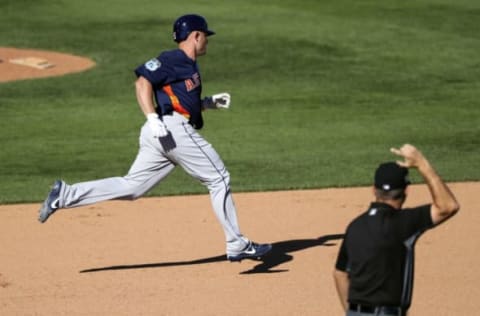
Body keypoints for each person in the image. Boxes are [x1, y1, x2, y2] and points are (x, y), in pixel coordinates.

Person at [38, 14, 272, 262]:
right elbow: (142, 84)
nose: (207, 41)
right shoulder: (173, 59)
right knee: (219, 178)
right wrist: (151, 116)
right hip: (169, 129)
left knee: (132, 187)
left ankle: (65, 195)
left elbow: (180, 101)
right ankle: (236, 243)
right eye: (206, 36)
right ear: (196, 36)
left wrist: (207, 103)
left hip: (162, 133)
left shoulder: (188, 65)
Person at [333, 144, 460, 316]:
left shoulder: (355, 226)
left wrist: (351, 312)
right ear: (406, 191)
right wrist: (422, 163)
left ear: (373, 189)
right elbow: (448, 206)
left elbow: (340, 274)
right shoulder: (404, 223)